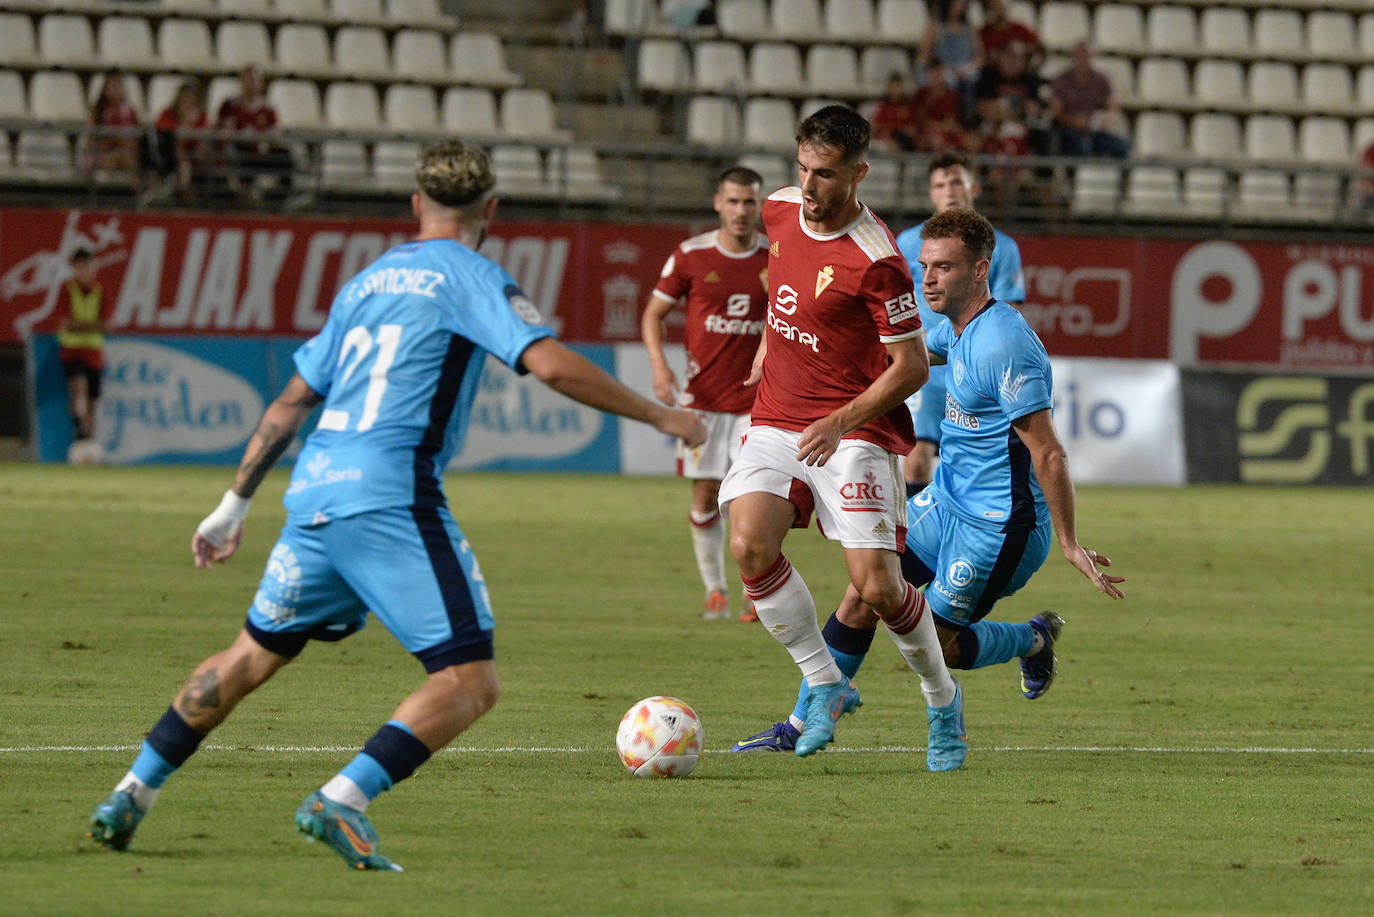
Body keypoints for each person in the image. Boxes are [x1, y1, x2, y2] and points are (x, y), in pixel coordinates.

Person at [87, 141, 707, 870]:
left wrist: (232, 502)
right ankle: (342, 798)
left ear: (416, 205)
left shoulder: (367, 282)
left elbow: (292, 399)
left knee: (251, 655)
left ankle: (131, 791)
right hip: (388, 494)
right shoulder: (475, 276)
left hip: (313, 492)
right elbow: (550, 363)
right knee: (470, 680)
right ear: (491, 211)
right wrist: (664, 418)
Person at [732, 208, 1124, 771]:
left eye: (944, 268)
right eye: (924, 267)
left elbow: (1049, 450)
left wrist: (1069, 542)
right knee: (865, 591)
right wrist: (785, 339)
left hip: (999, 525)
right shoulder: (957, 328)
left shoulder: (1004, 344)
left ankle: (1033, 640)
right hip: (944, 502)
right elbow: (893, 356)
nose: (929, 279)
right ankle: (802, 722)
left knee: (935, 643)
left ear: (981, 270)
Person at [715, 104, 955, 759]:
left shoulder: (877, 259)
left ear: (858, 172)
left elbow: (911, 367)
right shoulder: (778, 209)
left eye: (826, 174)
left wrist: (839, 419)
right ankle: (827, 683)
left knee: (877, 587)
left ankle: (943, 702)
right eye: (803, 170)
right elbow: (782, 278)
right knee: (749, 545)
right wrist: (771, 332)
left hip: (856, 430)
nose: (811, 187)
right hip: (777, 417)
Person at [641, 166, 769, 622]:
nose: (740, 211)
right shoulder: (691, 255)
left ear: (759, 205)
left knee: (751, 498)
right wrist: (660, 367)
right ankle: (715, 590)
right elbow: (652, 314)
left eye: (749, 202)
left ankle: (755, 589)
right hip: (701, 401)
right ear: (718, 202)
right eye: (733, 201)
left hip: (758, 402)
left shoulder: (775, 259)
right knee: (705, 495)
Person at [898, 151, 1025, 495]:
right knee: (917, 456)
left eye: (956, 181)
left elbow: (1008, 310)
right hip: (925, 366)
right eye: (940, 185)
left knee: (972, 463)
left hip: (973, 368)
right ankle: (916, 544)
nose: (949, 191)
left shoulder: (1003, 247)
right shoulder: (908, 244)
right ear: (931, 194)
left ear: (974, 187)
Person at [215, 63, 293, 200]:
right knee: (232, 154)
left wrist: (262, 140)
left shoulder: (268, 109)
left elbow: (275, 135)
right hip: (238, 151)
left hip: (259, 152)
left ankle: (282, 198)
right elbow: (224, 133)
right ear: (241, 82)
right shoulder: (230, 105)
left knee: (284, 155)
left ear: (262, 84)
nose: (251, 84)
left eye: (255, 80)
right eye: (248, 79)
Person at [1048, 41, 1130, 159]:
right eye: (1080, 56)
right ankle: (1073, 176)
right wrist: (1074, 121)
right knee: (1080, 146)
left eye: (1087, 56)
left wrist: (1104, 120)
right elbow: (1056, 111)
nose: (1083, 60)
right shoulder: (1061, 80)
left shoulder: (1103, 79)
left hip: (1094, 130)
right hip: (1067, 129)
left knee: (1122, 145)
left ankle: (1120, 177)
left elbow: (1113, 109)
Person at [58, 248, 105, 444]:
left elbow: (107, 325)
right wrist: (91, 326)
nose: (85, 271)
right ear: (75, 268)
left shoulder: (100, 291)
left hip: (94, 352)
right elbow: (65, 324)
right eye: (81, 267)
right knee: (79, 389)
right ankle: (79, 428)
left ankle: (89, 441)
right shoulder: (68, 290)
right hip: (72, 351)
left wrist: (80, 325)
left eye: (88, 266)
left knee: (92, 400)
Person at [153, 81, 210, 201]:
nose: (187, 103)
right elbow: (166, 140)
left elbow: (204, 141)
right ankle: (182, 195)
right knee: (182, 163)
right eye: (184, 99)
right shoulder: (167, 114)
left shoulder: (201, 116)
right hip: (170, 161)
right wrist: (186, 124)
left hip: (196, 159)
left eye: (191, 100)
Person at [85, 70, 142, 183]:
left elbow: (137, 139)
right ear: (105, 90)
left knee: (129, 159)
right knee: (114, 159)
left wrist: (123, 142)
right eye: (112, 87)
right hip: (102, 153)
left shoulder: (130, 112)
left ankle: (135, 194)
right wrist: (113, 140)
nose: (116, 90)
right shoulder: (98, 112)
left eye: (119, 86)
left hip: (125, 152)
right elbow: (91, 142)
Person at [866, 72, 920, 153]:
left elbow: (913, 129)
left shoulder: (909, 107)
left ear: (902, 88)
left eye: (898, 87)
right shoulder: (883, 106)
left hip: (904, 144)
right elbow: (876, 126)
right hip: (886, 142)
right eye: (893, 87)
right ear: (889, 88)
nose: (895, 90)